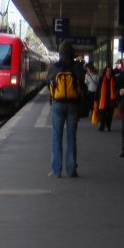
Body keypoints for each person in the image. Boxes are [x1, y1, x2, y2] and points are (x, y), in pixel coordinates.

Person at [47, 40, 85, 178]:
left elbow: (48, 85)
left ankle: (56, 170)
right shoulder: (77, 66)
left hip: (58, 104)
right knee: (71, 137)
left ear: (60, 52)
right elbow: (82, 83)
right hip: (73, 105)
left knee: (56, 137)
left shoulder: (54, 67)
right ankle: (71, 169)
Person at [96, 65, 116, 131]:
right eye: (107, 71)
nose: (109, 72)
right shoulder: (102, 79)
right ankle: (102, 126)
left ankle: (108, 126)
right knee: (102, 114)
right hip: (102, 100)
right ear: (105, 72)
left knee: (110, 115)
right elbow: (98, 89)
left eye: (110, 71)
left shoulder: (114, 79)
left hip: (111, 100)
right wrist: (96, 99)